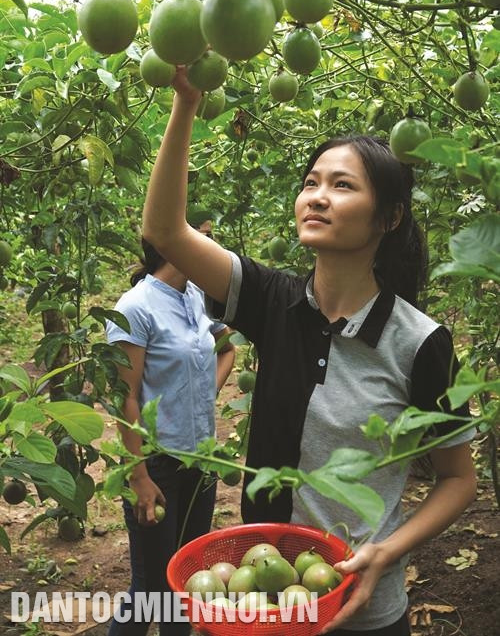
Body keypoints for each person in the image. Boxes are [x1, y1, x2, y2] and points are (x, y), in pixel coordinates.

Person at [141, 69, 477, 636]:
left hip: (357, 603)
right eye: (311, 182)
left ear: (389, 217)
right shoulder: (274, 302)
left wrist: (387, 552)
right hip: (262, 591)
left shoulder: (420, 343)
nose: (317, 197)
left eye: (343, 186)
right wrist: (186, 104)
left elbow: (457, 479)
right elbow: (165, 232)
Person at [106, 221, 234, 636]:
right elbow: (124, 398)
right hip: (156, 464)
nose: (211, 248)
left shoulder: (198, 295)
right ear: (175, 244)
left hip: (201, 460)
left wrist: (201, 393)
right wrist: (138, 476)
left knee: (188, 578)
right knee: (151, 590)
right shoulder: (134, 307)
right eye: (204, 238)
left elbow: (226, 352)